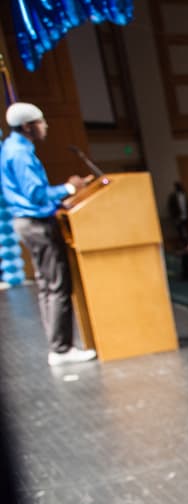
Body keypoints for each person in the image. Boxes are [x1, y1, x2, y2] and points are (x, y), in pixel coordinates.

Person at [0, 102, 96, 366]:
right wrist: (67, 188)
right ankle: (61, 349)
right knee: (56, 286)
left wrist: (58, 203)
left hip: (28, 221)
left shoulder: (12, 148)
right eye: (41, 122)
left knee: (47, 287)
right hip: (36, 224)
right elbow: (35, 194)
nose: (46, 126)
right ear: (28, 126)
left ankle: (59, 346)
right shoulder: (19, 153)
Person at [166, 180, 188, 248]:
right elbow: (171, 207)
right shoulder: (173, 196)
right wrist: (174, 216)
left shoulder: (184, 194)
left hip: (186, 216)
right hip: (178, 217)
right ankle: (184, 244)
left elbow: (187, 205)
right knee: (180, 232)